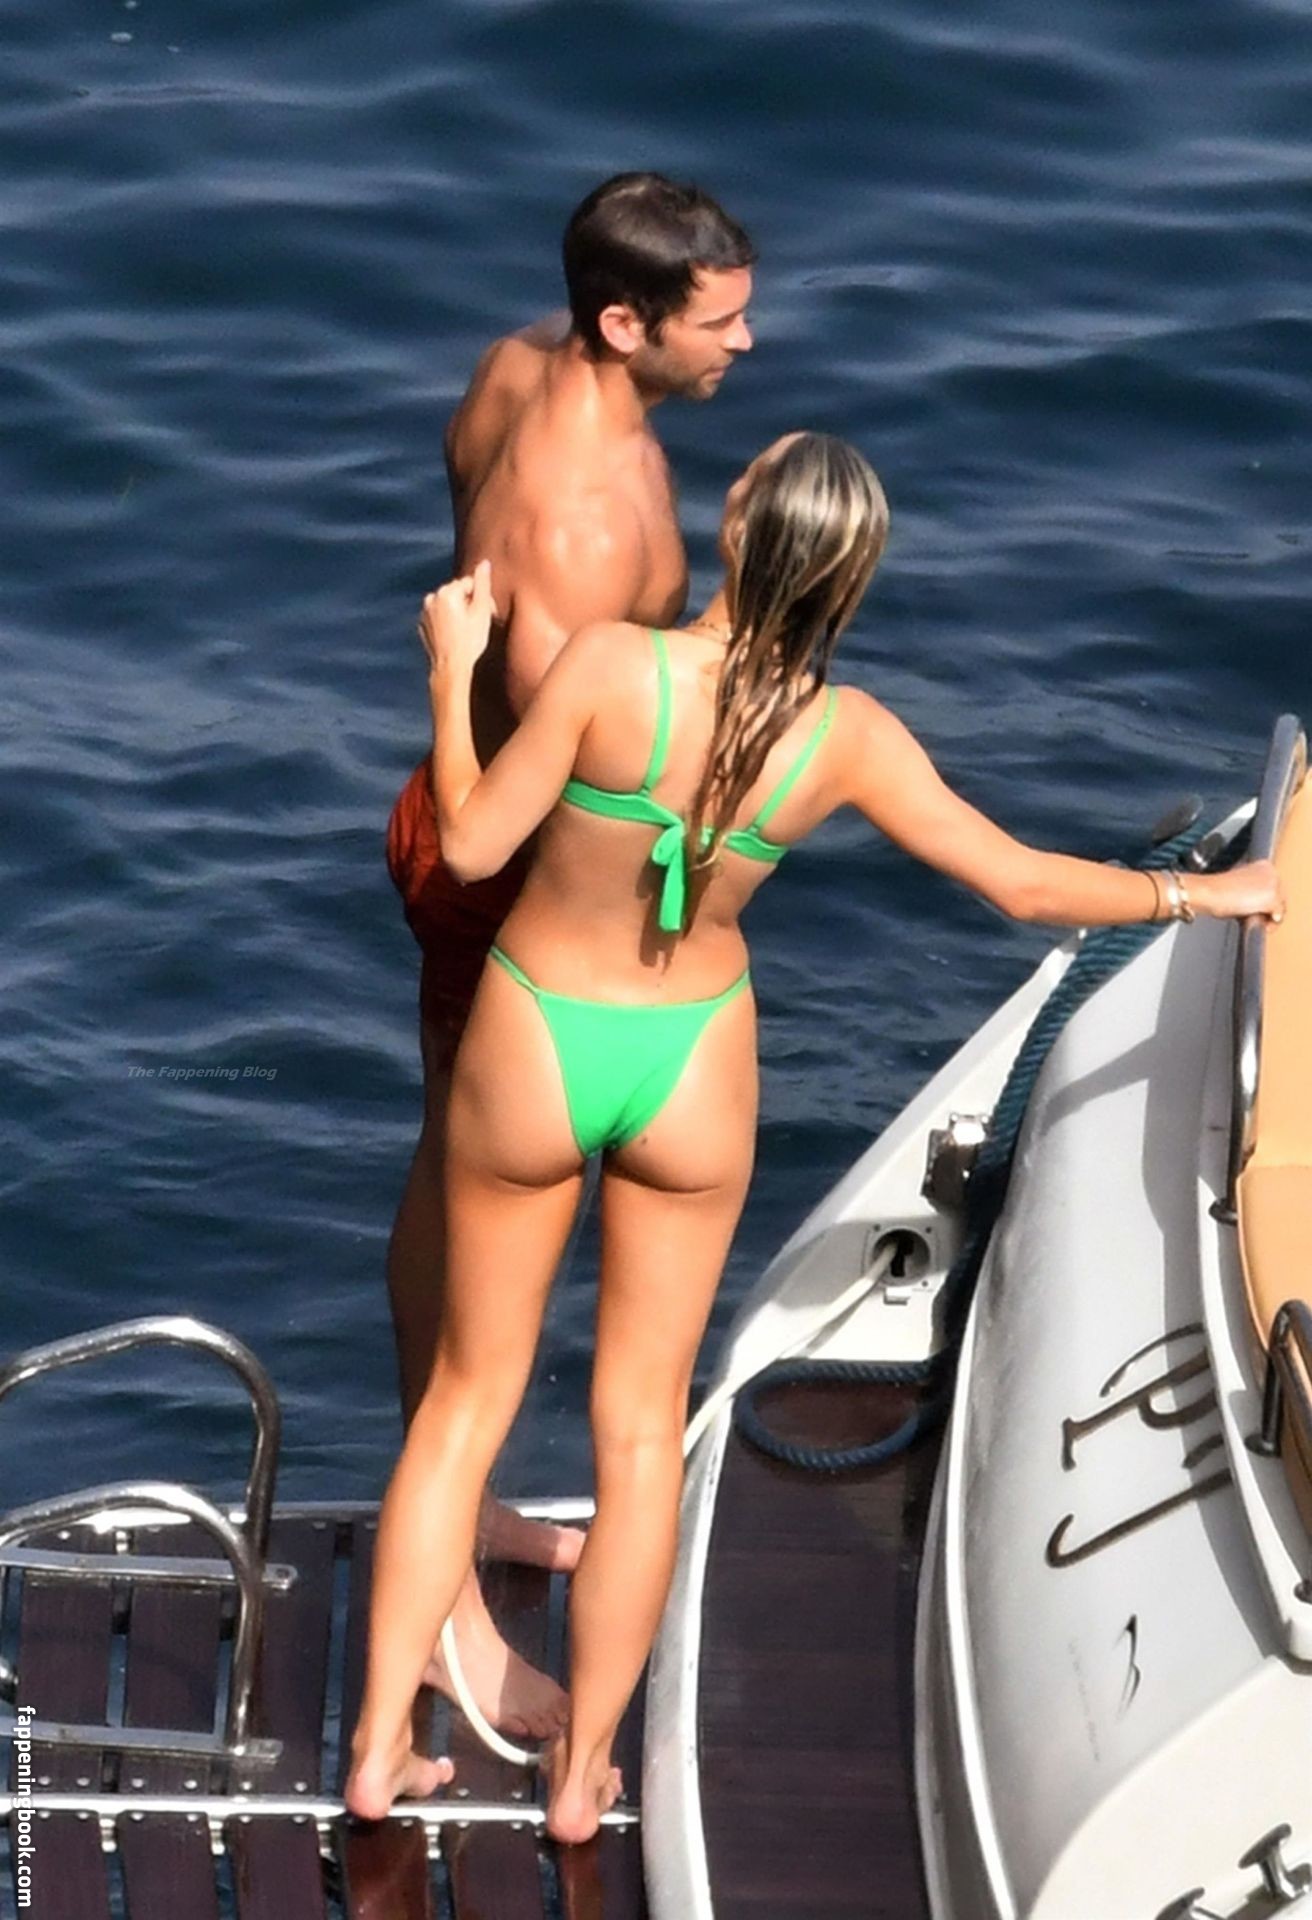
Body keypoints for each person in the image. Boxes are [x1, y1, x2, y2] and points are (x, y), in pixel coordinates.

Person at [349, 432, 1282, 1841]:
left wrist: (451, 668)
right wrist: (1208, 895)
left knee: (463, 1405)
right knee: (639, 1430)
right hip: (692, 1061)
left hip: (539, 1031)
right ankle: (583, 1783)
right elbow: (1021, 884)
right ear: (852, 573)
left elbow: (471, 847)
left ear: (735, 527)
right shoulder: (845, 735)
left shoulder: (611, 667)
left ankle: (377, 1756)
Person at [384, 172, 755, 1738]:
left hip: (451, 828)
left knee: (442, 1174)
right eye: (719, 323)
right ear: (624, 320)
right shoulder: (586, 534)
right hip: (499, 879)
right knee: (489, 1243)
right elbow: (544, 786)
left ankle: (459, 1512)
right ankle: (445, 1624)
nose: (746, 344)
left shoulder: (509, 369)